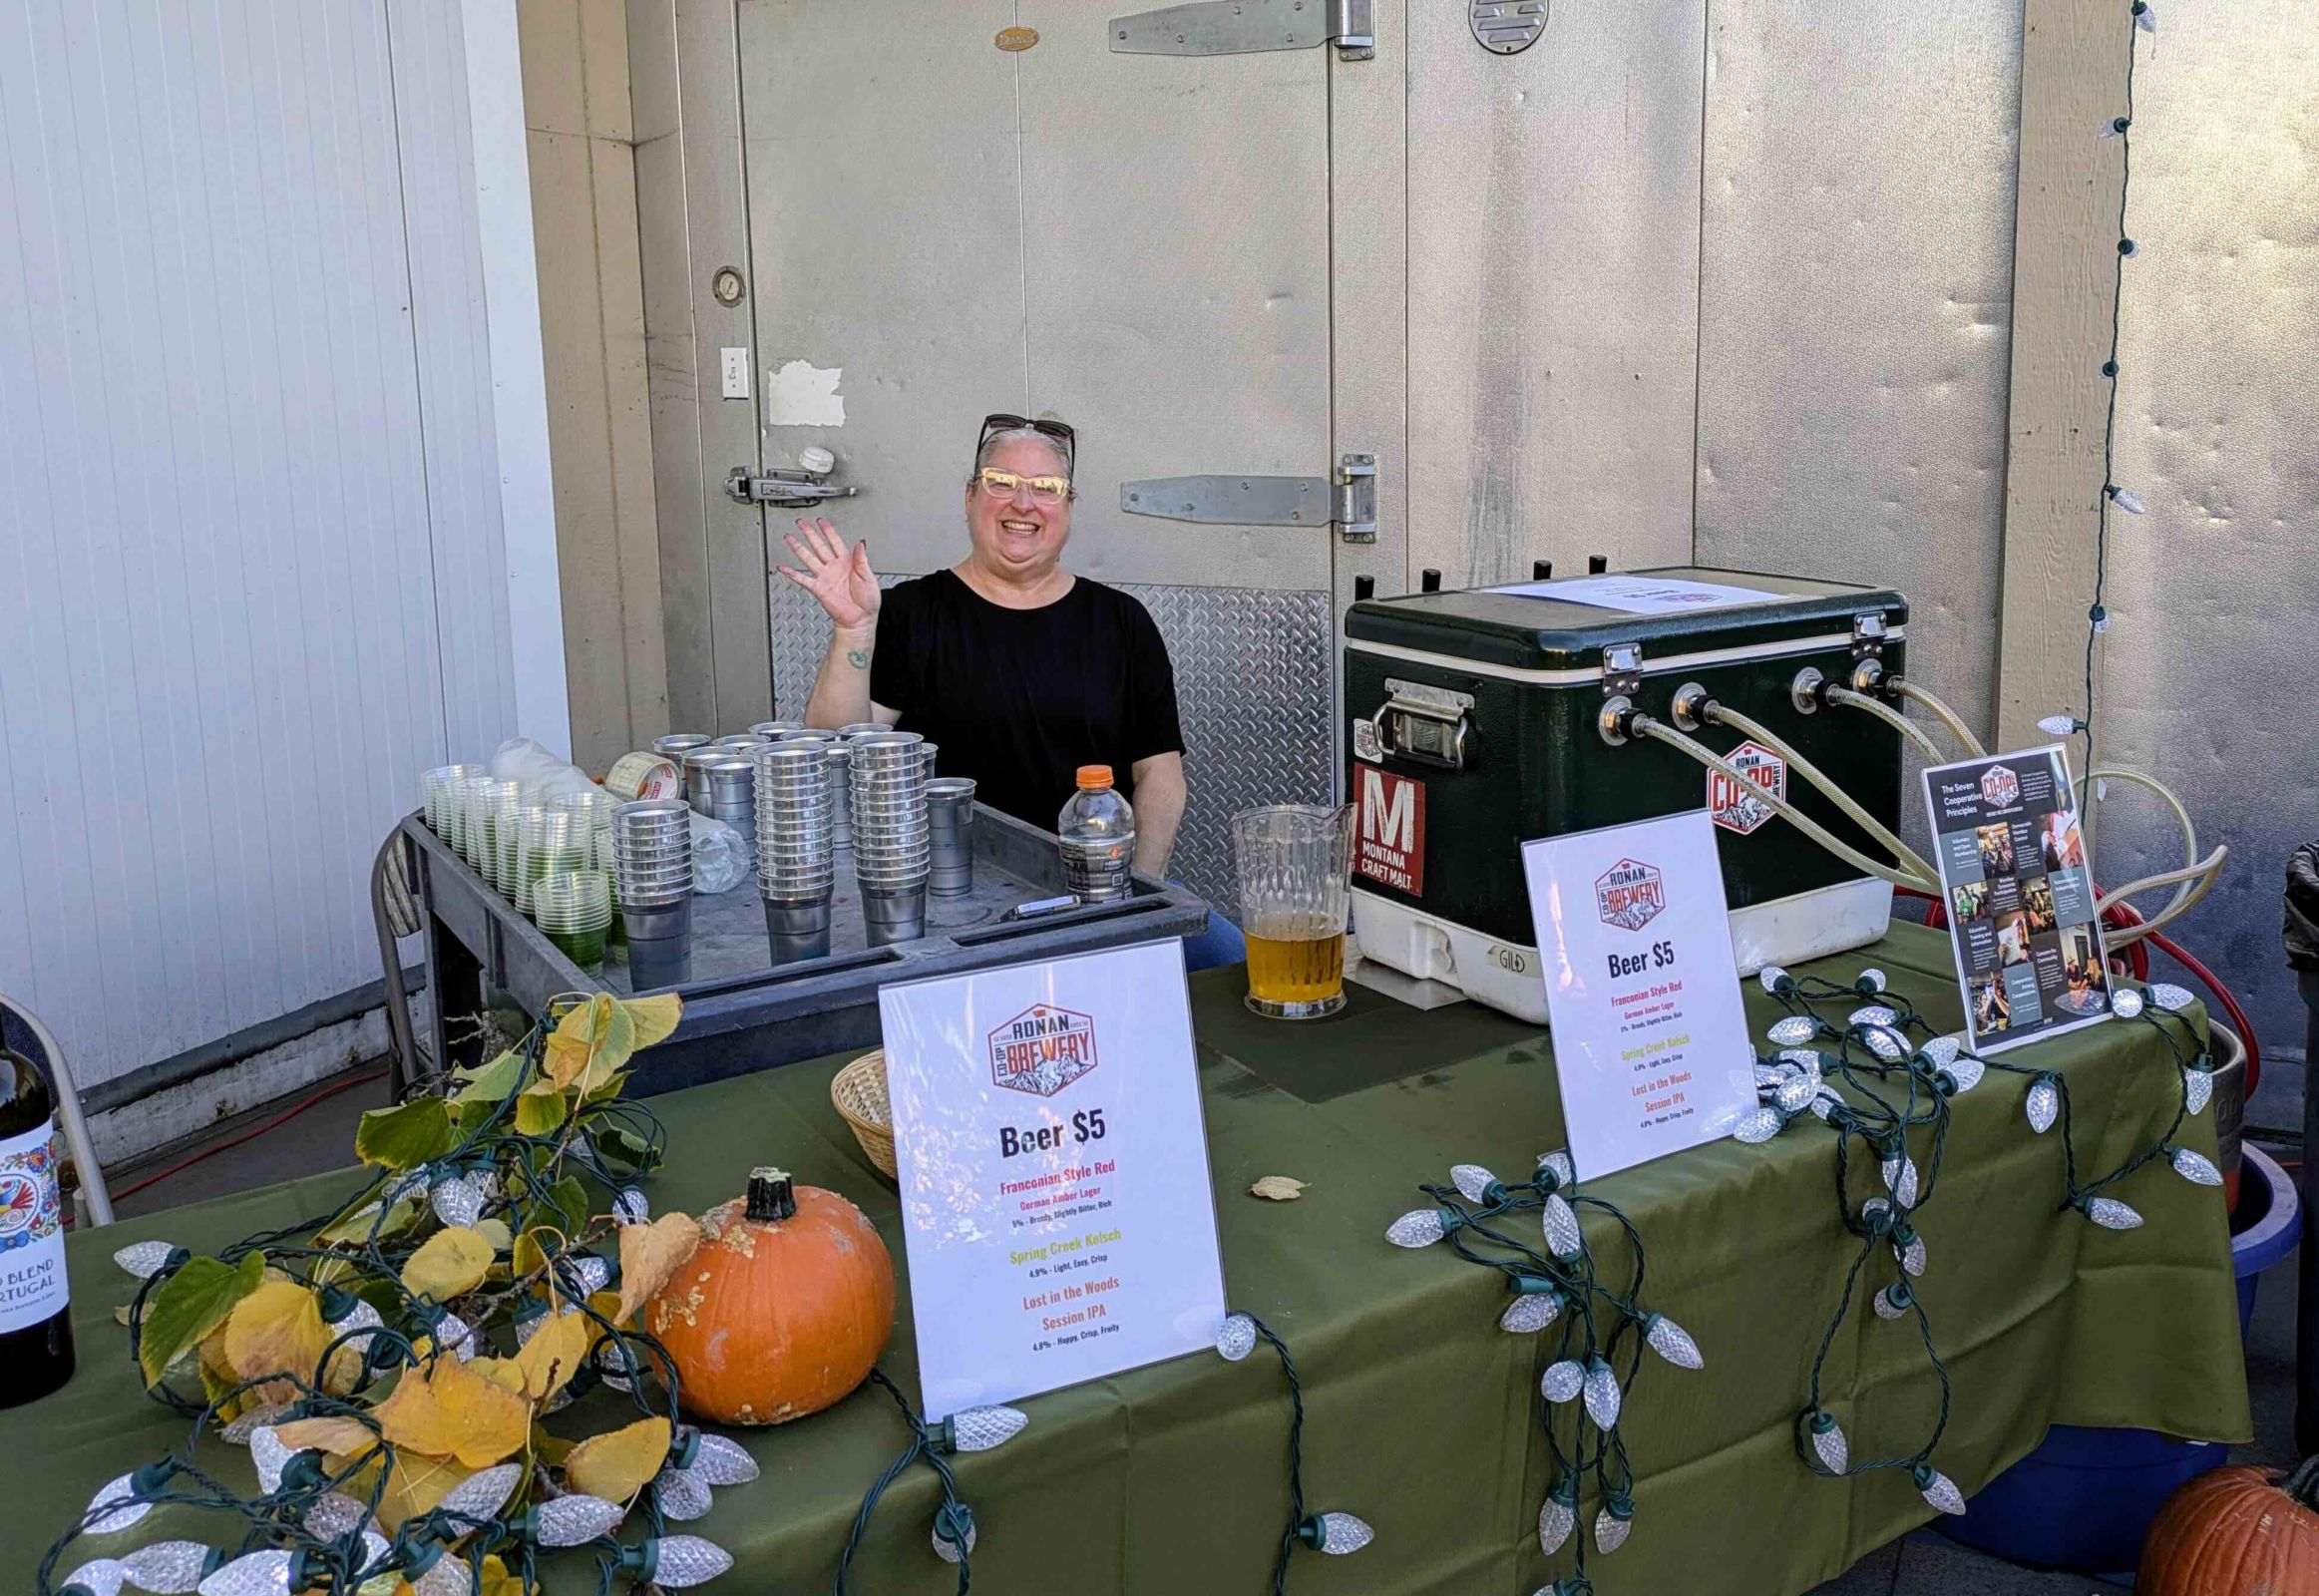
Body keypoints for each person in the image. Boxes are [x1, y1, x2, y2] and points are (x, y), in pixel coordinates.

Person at [781, 412, 1244, 968]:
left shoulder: (1121, 622)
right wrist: (854, 632)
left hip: (1096, 894)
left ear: (1068, 509)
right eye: (1002, 483)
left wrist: (1139, 897)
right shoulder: (910, 613)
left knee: (1237, 970)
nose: (1023, 504)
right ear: (971, 497)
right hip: (952, 911)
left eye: (1045, 489)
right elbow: (838, 754)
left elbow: (1160, 774)